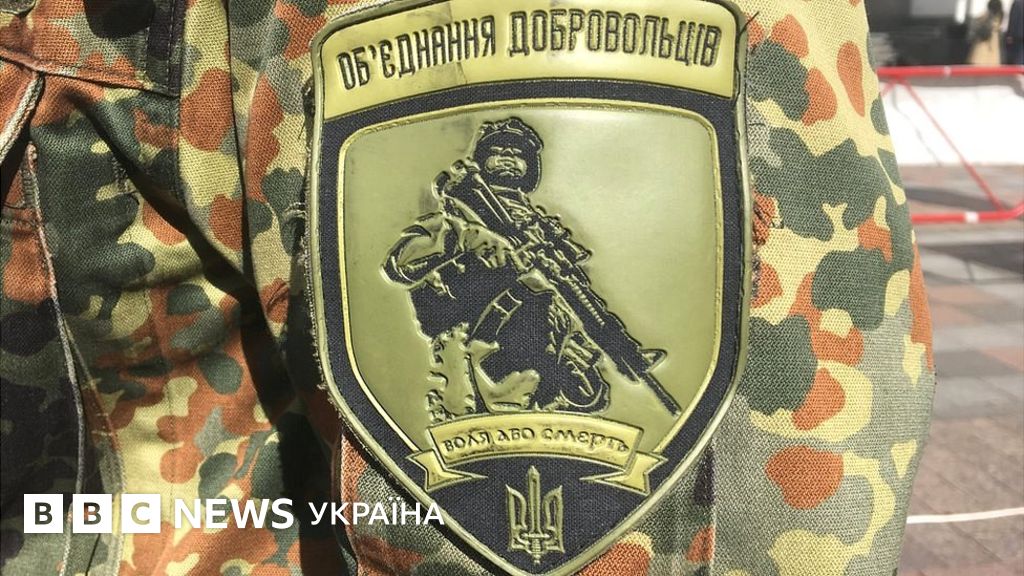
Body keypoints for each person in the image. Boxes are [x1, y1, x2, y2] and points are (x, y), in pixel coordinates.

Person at [0, 1, 935, 575]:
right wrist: (472, 247)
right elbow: (408, 263)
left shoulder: (535, 202)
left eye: (521, 161)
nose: (512, 170)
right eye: (503, 158)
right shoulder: (457, 202)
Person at [384, 118, 670, 419]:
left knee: (582, 334)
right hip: (483, 341)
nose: (508, 157)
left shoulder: (540, 224)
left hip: (546, 354)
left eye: (518, 153)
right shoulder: (462, 210)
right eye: (497, 151)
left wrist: (584, 358)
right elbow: (399, 265)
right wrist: (471, 238)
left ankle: (623, 355)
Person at [968, 0, 1006, 65]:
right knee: (993, 60)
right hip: (994, 43)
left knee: (980, 59)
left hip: (983, 43)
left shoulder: (984, 16)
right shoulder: (1000, 16)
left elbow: (977, 25)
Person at [1007, 0, 1024, 64]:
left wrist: (1010, 35)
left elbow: (1013, 19)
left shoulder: (1017, 3)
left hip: (1018, 36)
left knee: (1019, 57)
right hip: (1019, 35)